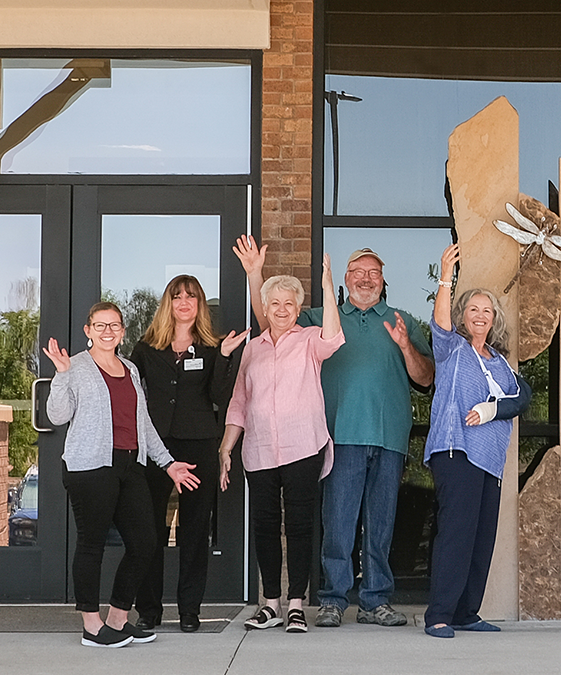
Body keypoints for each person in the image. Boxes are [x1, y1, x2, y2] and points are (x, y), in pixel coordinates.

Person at [234, 235, 435, 629]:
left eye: (373, 273)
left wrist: (406, 345)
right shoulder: (318, 319)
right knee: (338, 524)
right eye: (358, 272)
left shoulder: (403, 320)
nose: (366, 278)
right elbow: (270, 321)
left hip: (389, 436)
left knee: (381, 525)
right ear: (345, 278)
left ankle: (376, 601)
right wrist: (255, 275)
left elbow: (426, 378)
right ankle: (332, 599)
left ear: (382, 280)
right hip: (338, 434)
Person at [44, 302, 200, 648]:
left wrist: (168, 462)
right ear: (88, 330)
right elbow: (57, 415)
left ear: (122, 331)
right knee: (91, 544)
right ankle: (91, 626)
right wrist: (61, 374)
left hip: (129, 466)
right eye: (100, 326)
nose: (107, 332)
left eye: (114, 325)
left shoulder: (129, 368)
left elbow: (142, 423)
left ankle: (117, 618)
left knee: (146, 541)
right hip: (90, 468)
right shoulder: (77, 367)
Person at [218, 254, 344, 634]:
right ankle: (270, 603)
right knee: (266, 526)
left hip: (303, 446)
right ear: (266, 307)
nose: (282, 309)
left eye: (290, 303)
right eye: (275, 303)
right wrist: (226, 447)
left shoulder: (309, 340)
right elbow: (239, 400)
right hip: (257, 450)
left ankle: (295, 606)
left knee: (301, 526)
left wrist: (327, 286)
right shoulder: (252, 348)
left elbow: (335, 338)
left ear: (299, 308)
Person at [423, 243, 531, 638]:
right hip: (456, 452)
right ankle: (438, 614)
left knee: (482, 538)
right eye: (473, 310)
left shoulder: (500, 362)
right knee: (457, 533)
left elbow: (523, 398)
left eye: (487, 311)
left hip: (489, 459)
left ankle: (467, 612)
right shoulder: (452, 349)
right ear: (462, 318)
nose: (481, 316)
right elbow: (439, 321)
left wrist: (491, 411)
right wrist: (446, 278)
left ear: (494, 319)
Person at [132, 276, 247, 633]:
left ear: (199, 305)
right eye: (177, 295)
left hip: (198, 443)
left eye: (191, 296)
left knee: (194, 533)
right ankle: (149, 610)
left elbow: (219, 394)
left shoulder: (212, 348)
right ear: (168, 302)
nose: (184, 301)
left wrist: (226, 356)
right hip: (155, 447)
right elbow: (133, 394)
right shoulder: (146, 347)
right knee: (150, 530)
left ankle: (189, 611)